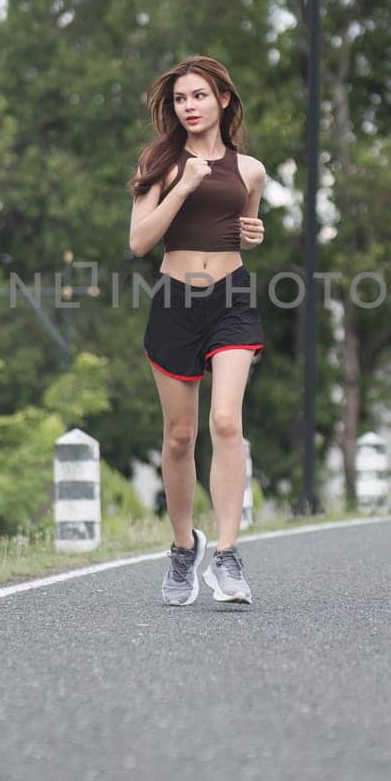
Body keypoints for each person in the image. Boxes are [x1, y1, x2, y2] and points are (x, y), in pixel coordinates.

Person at [128, 56, 266, 607]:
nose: (189, 106)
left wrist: (253, 234)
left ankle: (228, 556)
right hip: (174, 302)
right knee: (180, 436)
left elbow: (244, 230)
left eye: (199, 96)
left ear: (223, 101)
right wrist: (182, 187)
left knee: (226, 421)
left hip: (231, 298)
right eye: (181, 98)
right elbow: (140, 242)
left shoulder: (250, 170)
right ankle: (185, 548)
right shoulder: (159, 162)